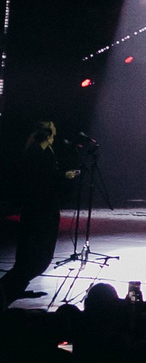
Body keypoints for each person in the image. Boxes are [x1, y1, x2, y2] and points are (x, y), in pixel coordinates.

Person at [4, 120, 82, 302]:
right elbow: (41, 178)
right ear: (47, 135)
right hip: (39, 208)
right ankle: (9, 288)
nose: (55, 137)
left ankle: (15, 287)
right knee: (35, 254)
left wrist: (62, 175)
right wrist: (63, 175)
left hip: (43, 206)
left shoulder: (44, 152)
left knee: (33, 254)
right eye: (53, 134)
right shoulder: (35, 153)